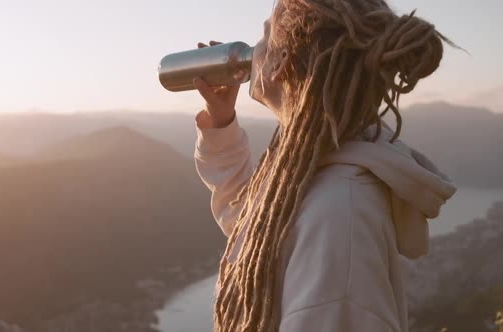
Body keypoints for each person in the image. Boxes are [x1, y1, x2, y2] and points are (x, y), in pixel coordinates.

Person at [192, 0, 459, 331]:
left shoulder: (338, 221)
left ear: (280, 62)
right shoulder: (307, 175)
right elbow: (251, 222)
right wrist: (221, 123)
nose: (253, 49)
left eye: (264, 35)